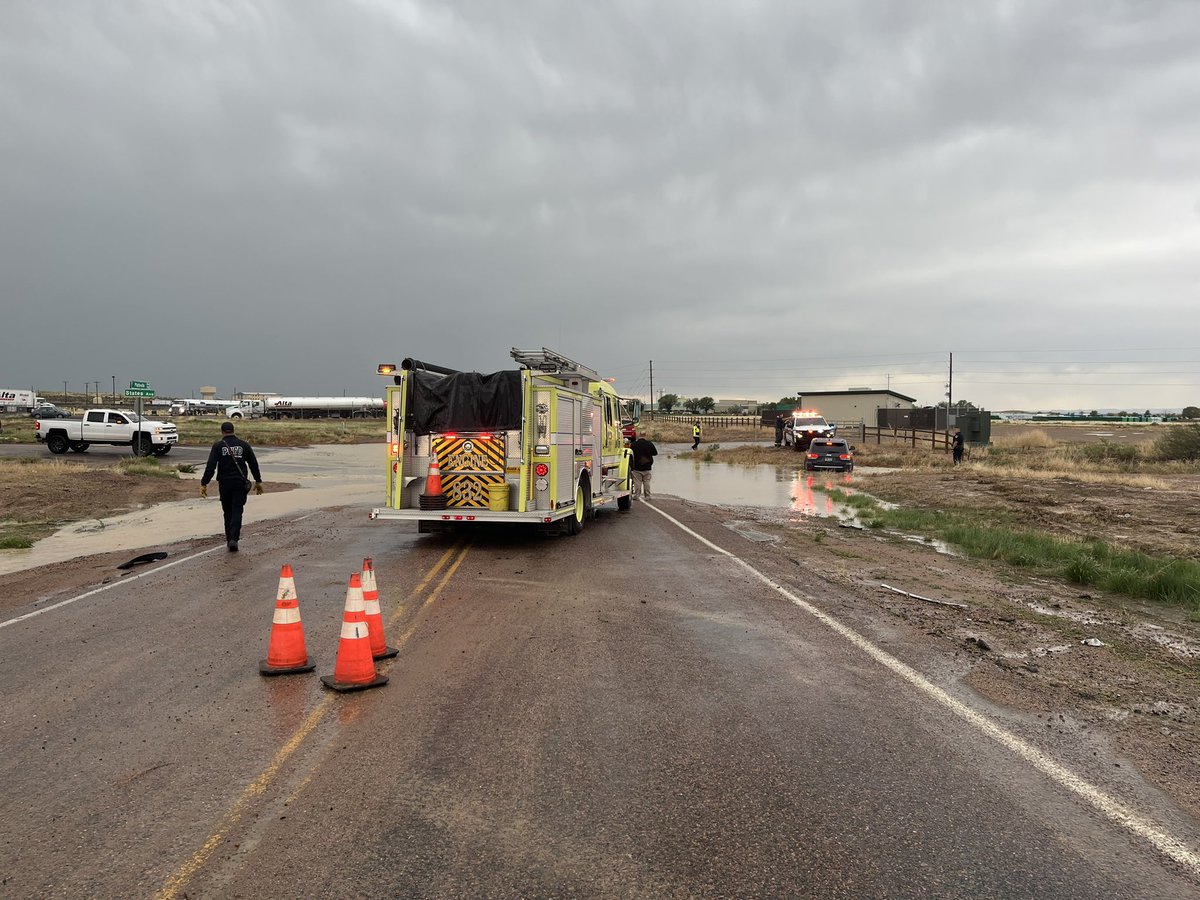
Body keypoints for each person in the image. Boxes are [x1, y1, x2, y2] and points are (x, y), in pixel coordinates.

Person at [200, 421, 263, 551]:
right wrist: (258, 480)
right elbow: (253, 464)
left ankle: (229, 539)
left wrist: (204, 483)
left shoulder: (218, 446)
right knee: (237, 510)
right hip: (240, 483)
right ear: (234, 430)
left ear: (222, 431)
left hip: (225, 484)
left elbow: (210, 467)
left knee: (227, 512)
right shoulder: (244, 445)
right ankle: (234, 538)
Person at [629, 430, 658, 501]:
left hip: (636, 467)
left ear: (639, 435)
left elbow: (629, 454)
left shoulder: (633, 444)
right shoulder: (649, 444)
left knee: (637, 482)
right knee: (647, 482)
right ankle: (647, 496)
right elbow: (655, 453)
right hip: (647, 467)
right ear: (645, 435)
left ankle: (636, 495)